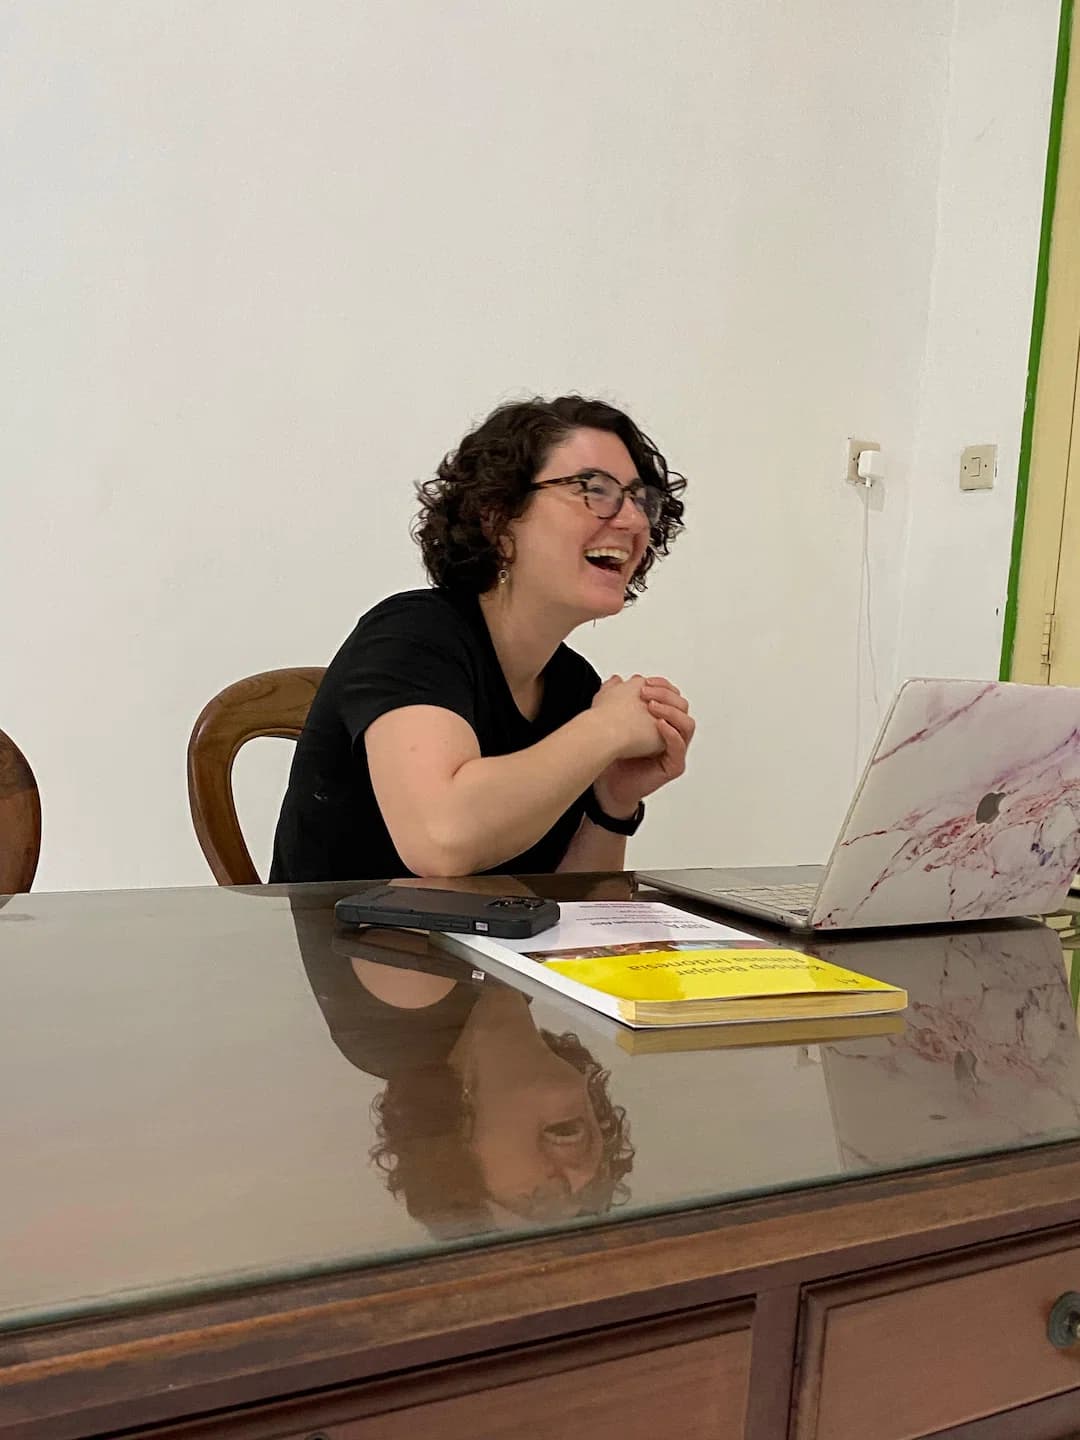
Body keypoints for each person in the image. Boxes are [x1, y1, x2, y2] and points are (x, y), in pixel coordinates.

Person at [270, 395, 692, 883]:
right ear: (497, 518)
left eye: (639, 499)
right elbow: (441, 840)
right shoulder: (411, 635)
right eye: (593, 489)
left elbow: (580, 912)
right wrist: (607, 729)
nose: (633, 520)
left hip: (466, 939)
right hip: (334, 936)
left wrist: (612, 801)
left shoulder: (574, 685)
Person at [295, 900, 635, 1239]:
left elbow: (458, 888)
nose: (580, 1175)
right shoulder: (512, 987)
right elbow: (600, 898)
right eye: (591, 1190)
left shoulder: (404, 1003)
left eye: (539, 1201)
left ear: (454, 1155)